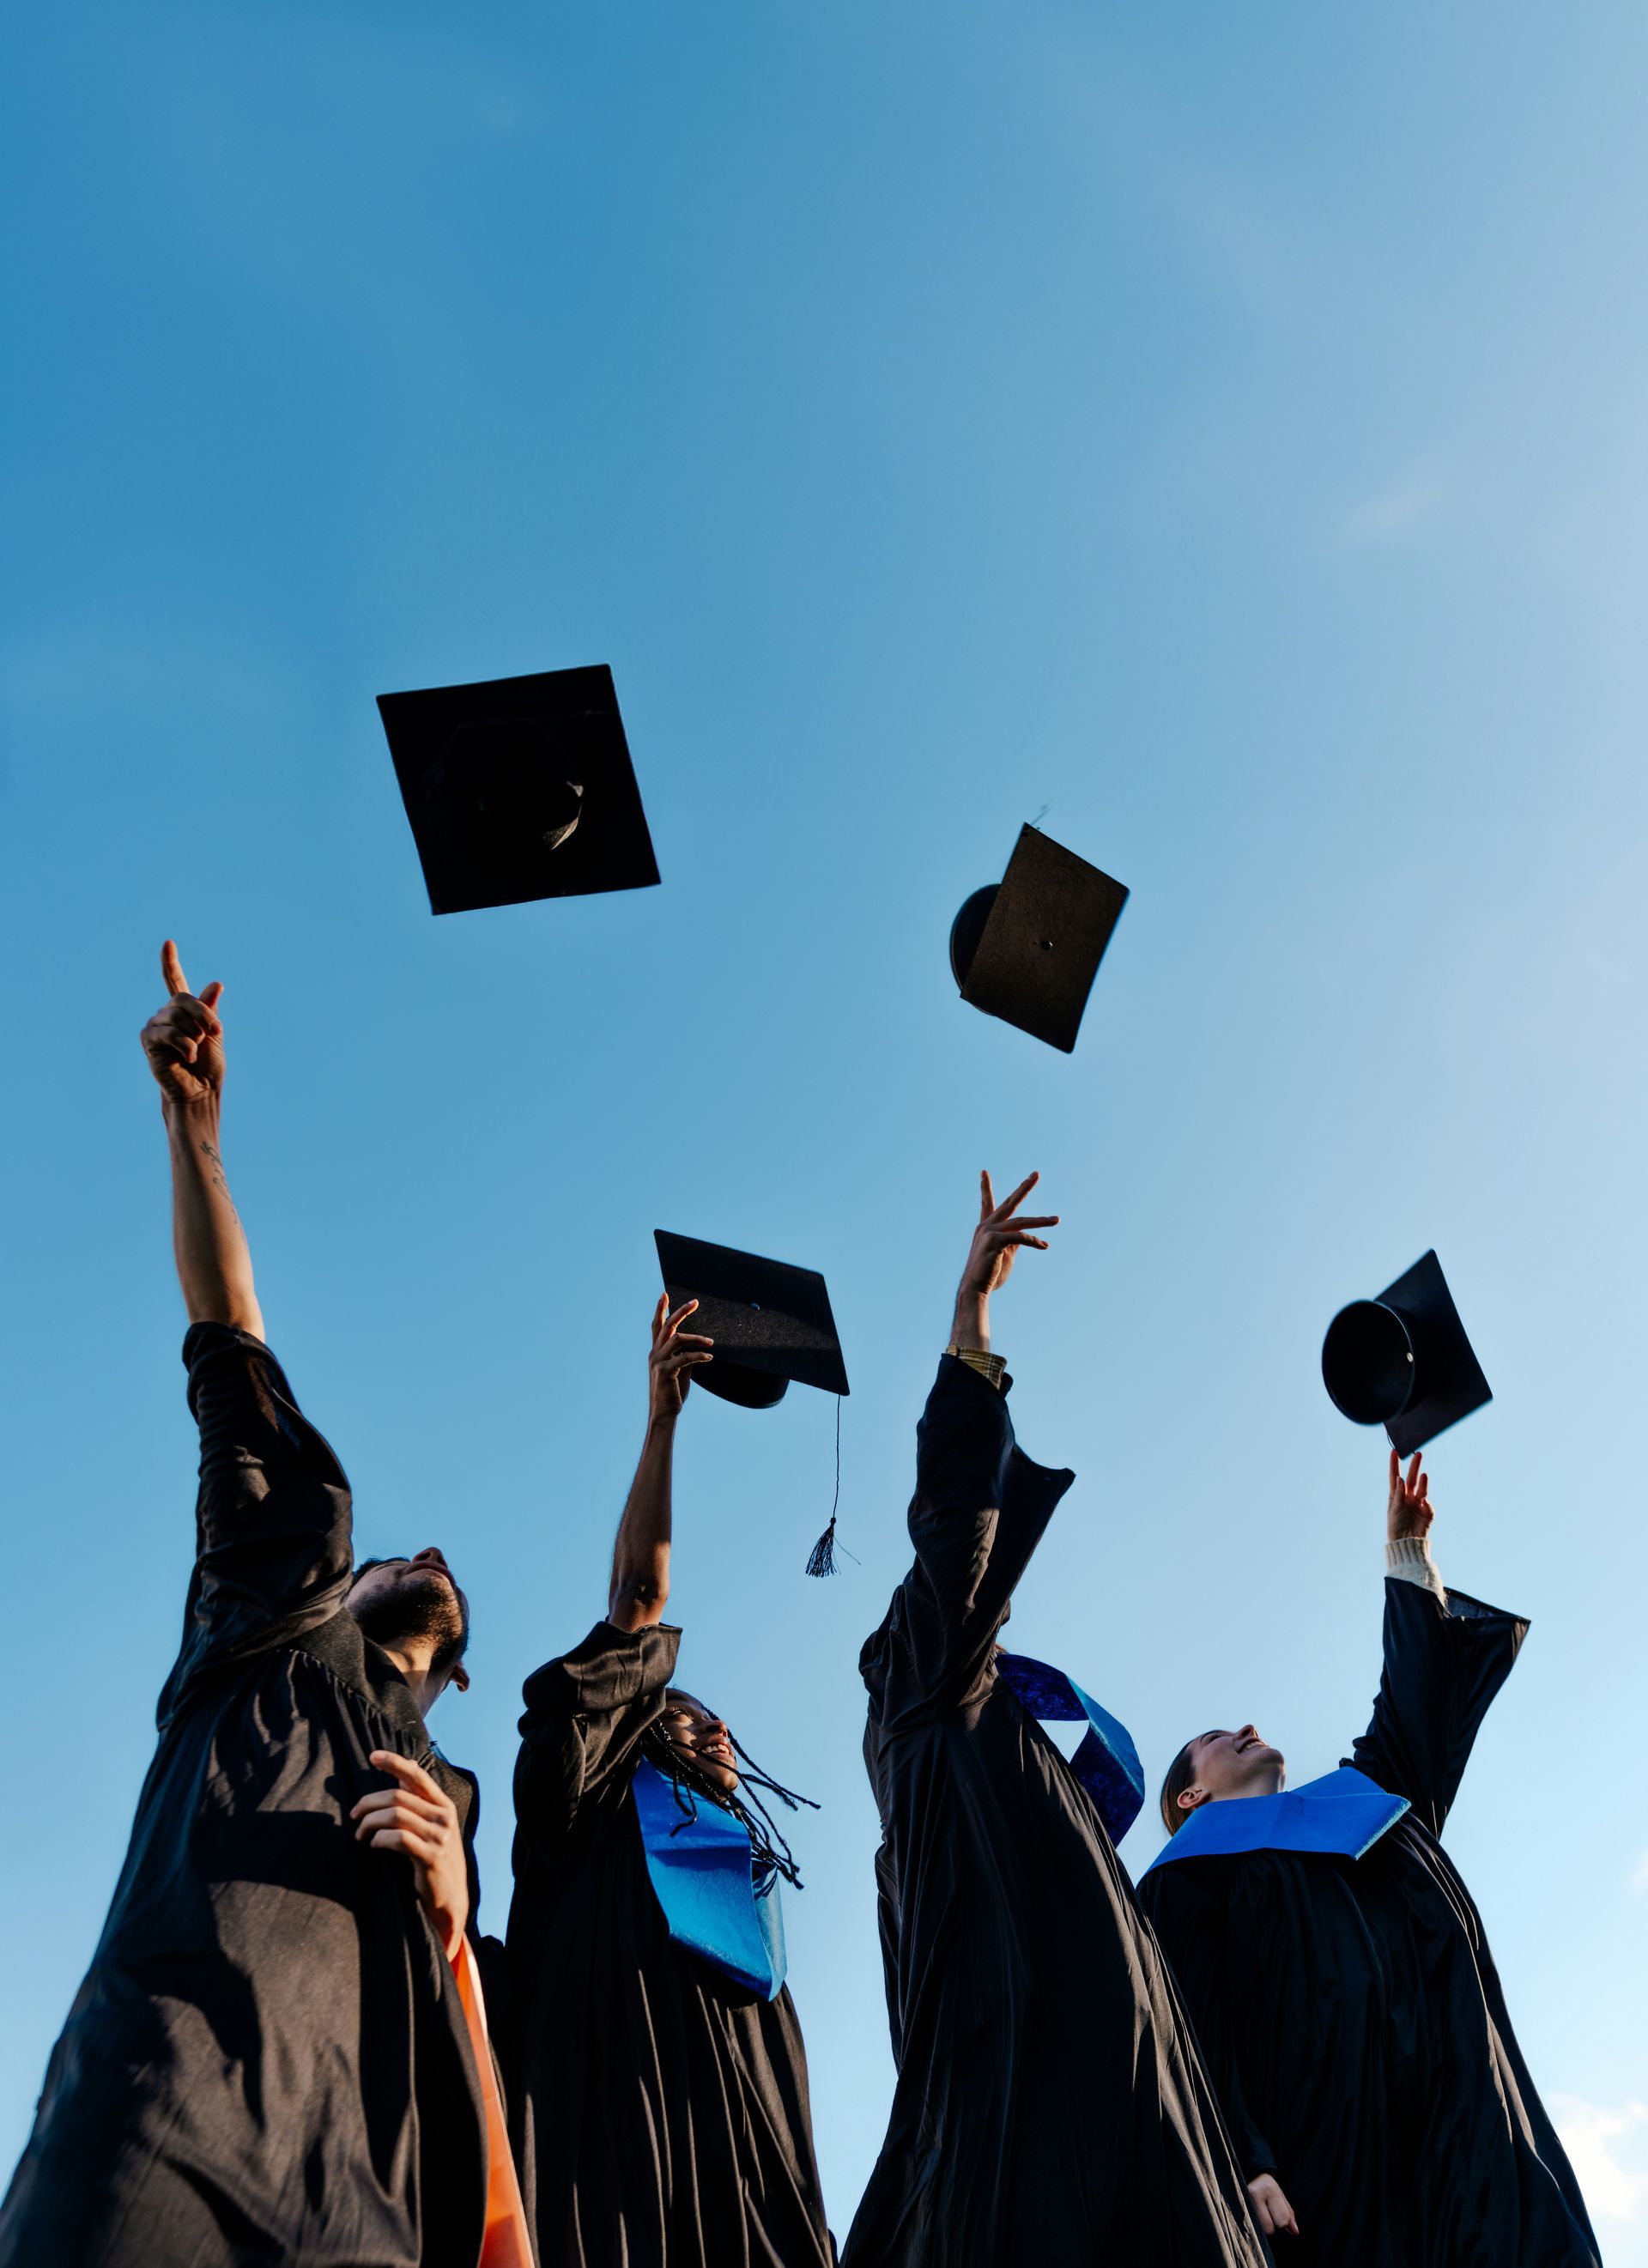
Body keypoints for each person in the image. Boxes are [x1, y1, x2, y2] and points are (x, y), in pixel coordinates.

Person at [0, 942, 521, 2268]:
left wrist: (457, 1904)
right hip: (166, 2110)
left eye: (447, 1570)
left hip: (370, 2202)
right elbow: (233, 1336)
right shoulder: (273, 1605)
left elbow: (471, 2015)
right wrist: (192, 1126)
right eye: (408, 1551)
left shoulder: (449, 1790)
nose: (435, 1551)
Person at [842, 1173, 1270, 2268]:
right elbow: (953, 1547)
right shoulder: (938, 1701)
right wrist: (971, 1322)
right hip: (1042, 2154)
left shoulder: (1008, 1767)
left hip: (1140, 2144)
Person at [1140, 1449, 1600, 2266]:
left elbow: (1413, 1707)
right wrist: (1240, 2159)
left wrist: (1408, 1555)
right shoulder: (1185, 1880)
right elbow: (1187, 2034)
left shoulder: (1360, 1805)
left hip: (1459, 2121)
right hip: (1326, 2155)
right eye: (1213, 1738)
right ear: (1190, 1800)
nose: (1244, 1726)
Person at [505, 1293, 835, 2268]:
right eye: (690, 1716)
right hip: (617, 2180)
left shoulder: (740, 1898)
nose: (720, 1727)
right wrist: (663, 1420)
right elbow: (637, 1601)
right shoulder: (581, 1812)